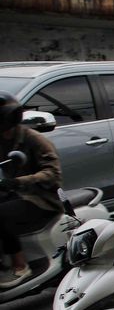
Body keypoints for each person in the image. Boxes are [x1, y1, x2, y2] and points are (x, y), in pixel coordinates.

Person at [0, 93, 62, 289]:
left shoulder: (33, 139)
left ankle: (20, 264)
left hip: (39, 198)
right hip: (12, 194)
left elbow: (52, 173)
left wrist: (19, 182)